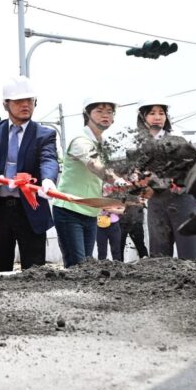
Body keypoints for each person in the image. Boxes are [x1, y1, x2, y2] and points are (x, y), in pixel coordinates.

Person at [0, 76, 59, 272]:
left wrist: (48, 180)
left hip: (31, 209)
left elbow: (49, 159)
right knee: (0, 269)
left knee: (35, 271)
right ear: (5, 104)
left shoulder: (44, 134)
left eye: (29, 100)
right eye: (19, 101)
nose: (25, 105)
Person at [53, 98, 128, 267]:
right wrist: (116, 180)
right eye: (99, 111)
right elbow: (94, 165)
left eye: (109, 112)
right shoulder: (80, 140)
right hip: (69, 210)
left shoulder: (103, 144)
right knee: (77, 265)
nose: (105, 115)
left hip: (90, 212)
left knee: (86, 266)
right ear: (87, 114)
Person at [130, 100, 196, 259]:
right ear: (142, 118)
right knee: (159, 259)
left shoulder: (178, 142)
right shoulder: (139, 148)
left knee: (192, 257)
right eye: (152, 113)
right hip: (156, 205)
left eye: (161, 113)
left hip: (183, 202)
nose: (157, 117)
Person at [118, 192, 149, 260]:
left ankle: (146, 262)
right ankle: (119, 264)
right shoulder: (119, 189)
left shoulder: (138, 190)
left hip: (136, 220)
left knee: (140, 246)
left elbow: (144, 198)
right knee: (119, 247)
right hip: (122, 221)